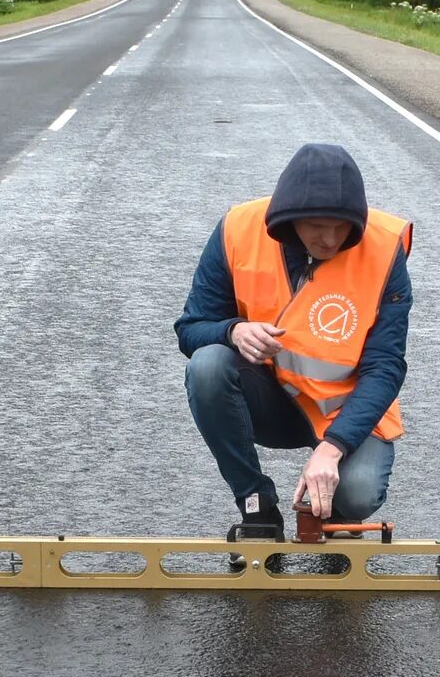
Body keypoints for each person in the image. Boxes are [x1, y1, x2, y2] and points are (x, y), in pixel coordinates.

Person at [174, 142, 412, 540]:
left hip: (346, 412)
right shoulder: (238, 230)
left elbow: (385, 366)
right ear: (291, 218)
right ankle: (257, 506)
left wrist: (333, 448)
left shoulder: (385, 249)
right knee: (207, 366)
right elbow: (190, 328)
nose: (331, 240)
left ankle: (328, 506)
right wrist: (232, 331)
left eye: (343, 228)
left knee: (357, 496)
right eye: (318, 226)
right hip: (269, 403)